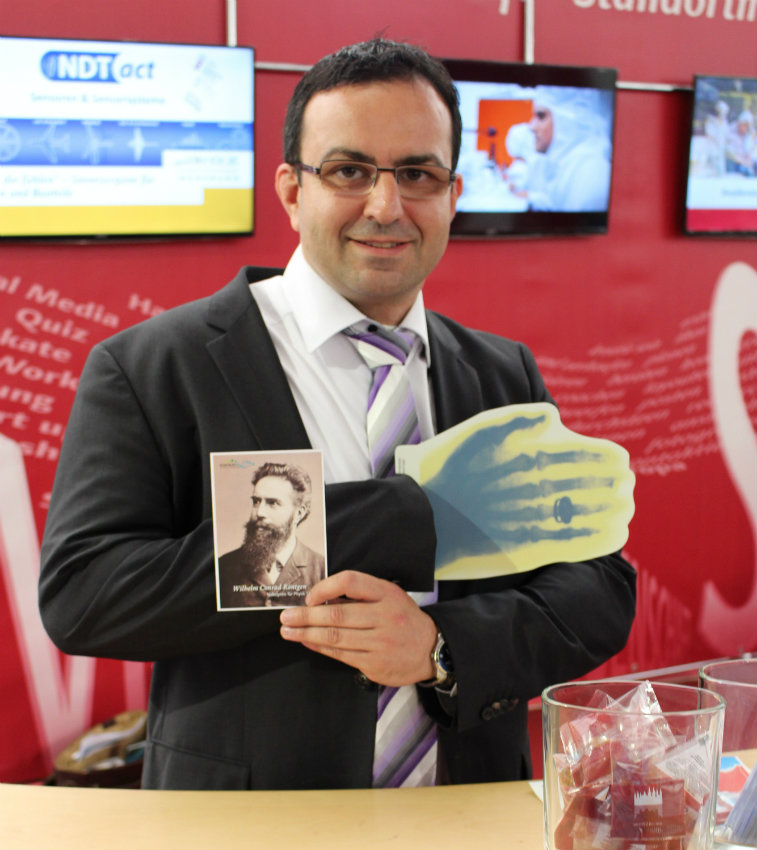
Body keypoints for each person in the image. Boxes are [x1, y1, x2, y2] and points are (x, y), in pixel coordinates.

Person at [39, 38, 636, 791]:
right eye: (349, 171)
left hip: (468, 812)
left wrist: (437, 648)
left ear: (453, 195)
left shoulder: (497, 370)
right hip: (249, 823)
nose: (385, 207)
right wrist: (394, 517)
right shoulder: (159, 366)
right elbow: (85, 596)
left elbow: (597, 588)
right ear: (292, 190)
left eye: (416, 174)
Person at [217, 462, 325, 609]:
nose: (259, 513)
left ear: (299, 513)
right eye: (256, 501)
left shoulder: (321, 568)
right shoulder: (224, 566)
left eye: (272, 503)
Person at [525, 86, 613, 212]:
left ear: (567, 119)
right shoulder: (567, 165)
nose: (531, 127)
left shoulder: (589, 176)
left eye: (541, 116)